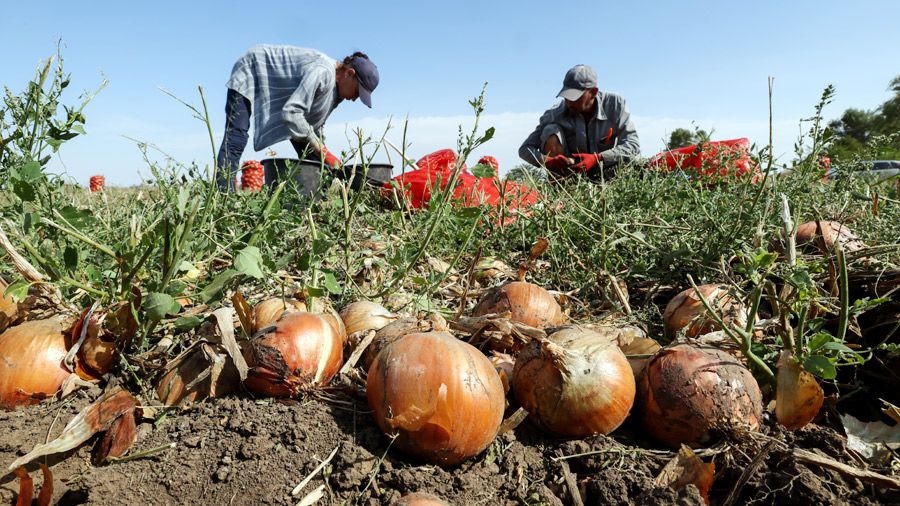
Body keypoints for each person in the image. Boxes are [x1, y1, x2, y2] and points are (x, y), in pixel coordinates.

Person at [216, 45, 379, 190]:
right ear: (349, 74)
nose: (355, 98)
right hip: (251, 68)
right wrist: (324, 152)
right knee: (236, 137)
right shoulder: (322, 72)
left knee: (312, 153)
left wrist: (322, 152)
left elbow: (314, 124)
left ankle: (317, 196)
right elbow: (293, 113)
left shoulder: (337, 91)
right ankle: (223, 194)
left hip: (291, 104)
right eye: (358, 92)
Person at [519, 64, 639, 180]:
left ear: (593, 92)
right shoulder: (554, 114)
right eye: (566, 96)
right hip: (572, 175)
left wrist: (598, 158)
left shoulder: (615, 105)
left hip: (605, 174)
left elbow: (633, 145)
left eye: (575, 97)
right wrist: (547, 161)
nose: (569, 102)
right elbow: (525, 149)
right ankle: (562, 189)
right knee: (550, 130)